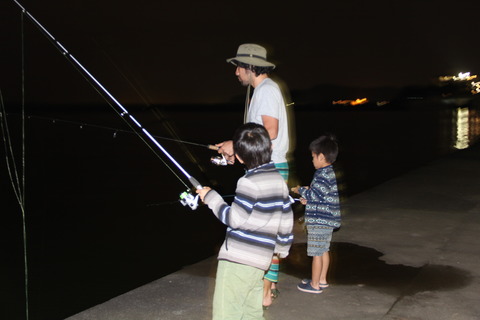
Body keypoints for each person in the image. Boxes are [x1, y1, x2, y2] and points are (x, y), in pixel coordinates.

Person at [216, 43, 291, 307]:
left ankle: (266, 292)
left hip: (272, 168)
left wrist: (236, 145)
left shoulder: (267, 90)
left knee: (266, 235)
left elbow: (269, 130)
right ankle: (268, 288)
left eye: (238, 67)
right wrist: (233, 145)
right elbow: (258, 135)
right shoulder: (262, 90)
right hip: (268, 168)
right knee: (268, 231)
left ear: (250, 66)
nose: (236, 72)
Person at [197, 122, 294, 319]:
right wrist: (282, 249)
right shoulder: (278, 180)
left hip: (237, 262)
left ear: (239, 157)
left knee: (227, 313)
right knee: (251, 313)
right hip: (260, 262)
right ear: (271, 147)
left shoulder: (247, 182)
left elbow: (234, 219)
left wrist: (212, 198)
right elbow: (286, 220)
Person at [290, 134, 341, 294]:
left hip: (319, 221)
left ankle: (314, 285)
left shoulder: (322, 174)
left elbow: (314, 194)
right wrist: (308, 199)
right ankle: (322, 280)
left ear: (321, 156)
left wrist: (300, 190)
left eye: (313, 157)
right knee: (323, 250)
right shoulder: (329, 173)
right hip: (326, 220)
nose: (312, 160)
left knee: (316, 253)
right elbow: (320, 196)